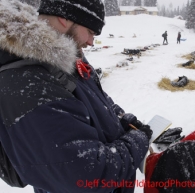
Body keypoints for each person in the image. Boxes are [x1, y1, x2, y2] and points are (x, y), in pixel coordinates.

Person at [0, 0, 152, 193]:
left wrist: (121, 120)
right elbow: (88, 175)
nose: (91, 41)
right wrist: (137, 141)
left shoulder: (65, 55)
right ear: (64, 18)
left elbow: (93, 98)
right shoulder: (28, 81)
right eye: (90, 31)